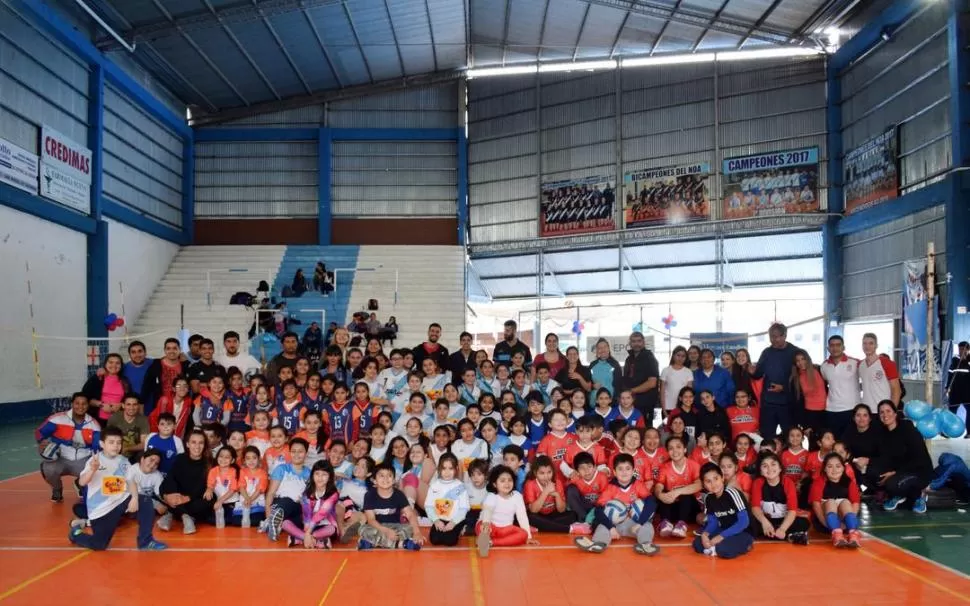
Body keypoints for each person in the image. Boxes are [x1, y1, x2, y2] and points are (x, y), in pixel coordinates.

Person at [68, 427, 165, 551]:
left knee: (145, 501)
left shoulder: (123, 461)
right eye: (111, 442)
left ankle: (145, 541)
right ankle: (76, 535)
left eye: (119, 442)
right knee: (99, 544)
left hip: (120, 502)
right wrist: (92, 470)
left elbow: (131, 481)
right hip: (101, 509)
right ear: (102, 444)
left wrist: (135, 498)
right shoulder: (94, 461)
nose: (116, 446)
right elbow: (82, 482)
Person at [574, 453, 658, 555]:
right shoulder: (610, 488)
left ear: (633, 471)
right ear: (614, 471)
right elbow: (598, 510)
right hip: (614, 525)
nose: (624, 472)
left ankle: (646, 544)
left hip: (633, 525)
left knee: (647, 525)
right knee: (602, 526)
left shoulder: (638, 485)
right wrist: (611, 528)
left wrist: (640, 523)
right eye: (620, 469)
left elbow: (651, 502)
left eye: (627, 468)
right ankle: (598, 543)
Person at [36, 393, 100, 502]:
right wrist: (42, 442)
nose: (80, 406)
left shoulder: (94, 425)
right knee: (48, 469)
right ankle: (57, 489)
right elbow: (39, 432)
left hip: (82, 460)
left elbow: (97, 448)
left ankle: (80, 483)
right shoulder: (58, 419)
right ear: (72, 404)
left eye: (84, 404)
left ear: (88, 405)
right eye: (77, 403)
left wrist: (96, 464)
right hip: (60, 459)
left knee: (97, 471)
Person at [874, 400, 932, 513]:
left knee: (892, 484)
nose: (885, 415)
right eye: (881, 412)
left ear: (895, 413)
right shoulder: (883, 434)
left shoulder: (908, 429)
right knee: (876, 475)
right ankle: (899, 494)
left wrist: (895, 472)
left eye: (888, 411)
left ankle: (920, 495)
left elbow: (918, 458)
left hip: (918, 471)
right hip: (901, 471)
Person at [749, 323, 803, 437]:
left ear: (785, 336)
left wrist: (784, 388)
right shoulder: (766, 353)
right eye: (771, 337)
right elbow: (758, 375)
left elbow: (802, 380)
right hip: (768, 404)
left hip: (788, 404)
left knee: (790, 437)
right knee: (767, 437)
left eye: (777, 336)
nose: (774, 340)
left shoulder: (795, 352)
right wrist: (752, 372)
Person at [693, 463, 754, 559]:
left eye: (716, 478)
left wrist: (721, 536)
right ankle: (717, 547)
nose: (713, 484)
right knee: (697, 543)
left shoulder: (732, 493)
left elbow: (744, 522)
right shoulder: (709, 498)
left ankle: (746, 544)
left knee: (723, 549)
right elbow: (713, 522)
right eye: (708, 481)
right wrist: (705, 534)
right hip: (725, 529)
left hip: (743, 531)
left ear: (722, 478)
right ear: (704, 484)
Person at [476, 465, 538, 557]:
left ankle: (492, 542)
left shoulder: (517, 496)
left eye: (510, 480)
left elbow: (522, 517)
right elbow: (487, 514)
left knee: (523, 534)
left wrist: (528, 537)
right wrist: (485, 532)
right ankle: (484, 539)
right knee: (482, 526)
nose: (507, 483)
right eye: (502, 481)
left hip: (506, 530)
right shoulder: (491, 496)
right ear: (494, 484)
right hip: (489, 526)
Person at [158, 430, 213, 534]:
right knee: (165, 485)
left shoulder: (209, 462)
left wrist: (188, 498)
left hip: (195, 498)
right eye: (193, 442)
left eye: (201, 443)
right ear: (187, 444)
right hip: (178, 496)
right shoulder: (180, 458)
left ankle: (173, 513)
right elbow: (170, 479)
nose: (197, 446)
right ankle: (186, 517)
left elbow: (204, 486)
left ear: (204, 445)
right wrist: (167, 497)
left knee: (210, 499)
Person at [359, 464, 425, 550]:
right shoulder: (369, 495)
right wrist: (386, 531)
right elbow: (371, 520)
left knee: (409, 529)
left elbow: (410, 514)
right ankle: (401, 544)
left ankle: (372, 543)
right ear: (374, 480)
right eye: (381, 476)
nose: (386, 479)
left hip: (395, 527)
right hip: (377, 527)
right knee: (363, 529)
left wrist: (417, 532)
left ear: (394, 480)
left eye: (389, 475)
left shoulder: (399, 495)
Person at [749, 453, 810, 545]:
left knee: (804, 523)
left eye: (773, 464)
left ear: (780, 468)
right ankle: (789, 536)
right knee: (749, 524)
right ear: (761, 471)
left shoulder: (788, 482)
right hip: (766, 519)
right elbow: (755, 508)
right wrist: (765, 523)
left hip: (784, 520)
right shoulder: (758, 483)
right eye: (765, 466)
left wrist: (782, 529)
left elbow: (792, 510)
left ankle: (776, 533)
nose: (769, 469)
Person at [808, 453, 862, 548]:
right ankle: (836, 535)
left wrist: (847, 524)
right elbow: (816, 506)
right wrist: (826, 524)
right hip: (825, 523)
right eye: (830, 466)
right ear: (824, 468)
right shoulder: (819, 482)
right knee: (831, 502)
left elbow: (855, 503)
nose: (834, 470)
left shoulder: (849, 482)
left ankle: (853, 533)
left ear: (843, 468)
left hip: (845, 525)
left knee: (845, 502)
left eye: (838, 466)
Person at [282, 460, 339, 549]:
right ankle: (316, 540)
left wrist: (308, 533)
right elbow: (307, 515)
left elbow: (321, 514)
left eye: (324, 474)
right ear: (312, 475)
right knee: (285, 523)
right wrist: (307, 533)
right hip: (307, 523)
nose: (320, 478)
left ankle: (299, 538)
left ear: (330, 477)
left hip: (324, 522)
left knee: (332, 529)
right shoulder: (307, 493)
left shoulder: (333, 494)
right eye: (317, 474)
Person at [265, 438, 313, 541]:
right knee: (287, 501)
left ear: (306, 453)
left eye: (300, 451)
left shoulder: (310, 473)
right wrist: (268, 516)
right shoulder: (281, 469)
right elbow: (271, 493)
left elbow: (309, 496)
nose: (297, 455)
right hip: (281, 503)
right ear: (290, 452)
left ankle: (280, 524)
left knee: (302, 519)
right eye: (293, 451)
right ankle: (272, 521)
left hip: (298, 507)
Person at [654, 435, 702, 538]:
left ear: (685, 449)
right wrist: (660, 495)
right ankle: (665, 523)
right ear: (668, 452)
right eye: (671, 448)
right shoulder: (665, 467)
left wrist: (678, 491)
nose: (674, 450)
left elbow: (699, 485)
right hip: (673, 508)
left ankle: (682, 525)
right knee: (664, 493)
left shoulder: (693, 465)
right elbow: (658, 486)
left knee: (686, 495)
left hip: (690, 509)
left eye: (678, 447)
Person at [425, 453, 471, 546]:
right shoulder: (434, 485)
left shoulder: (460, 486)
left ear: (456, 469)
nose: (447, 472)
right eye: (444, 468)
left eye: (451, 468)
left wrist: (453, 523)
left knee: (450, 542)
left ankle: (461, 527)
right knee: (434, 540)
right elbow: (428, 506)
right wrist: (436, 520)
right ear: (439, 469)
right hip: (439, 520)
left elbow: (464, 508)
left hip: (454, 520)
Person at [819, 335, 860, 438]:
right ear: (828, 348)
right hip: (831, 410)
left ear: (843, 347)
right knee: (834, 441)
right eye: (832, 345)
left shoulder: (855, 363)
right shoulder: (824, 366)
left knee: (851, 441)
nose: (835, 348)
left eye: (838, 345)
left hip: (851, 408)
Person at [141, 338, 189, 410]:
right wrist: (141, 404)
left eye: (174, 348)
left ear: (180, 349)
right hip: (162, 406)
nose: (171, 351)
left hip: (180, 407)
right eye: (168, 348)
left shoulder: (185, 366)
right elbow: (146, 386)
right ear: (164, 350)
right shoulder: (156, 365)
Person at [622, 332, 660, 424]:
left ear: (643, 342)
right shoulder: (628, 359)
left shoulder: (649, 358)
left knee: (646, 431)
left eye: (639, 341)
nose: (636, 344)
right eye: (633, 341)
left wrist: (631, 391)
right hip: (631, 404)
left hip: (647, 404)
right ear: (630, 343)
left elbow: (652, 383)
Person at [82, 353, 130, 424]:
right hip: (98, 420)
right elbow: (84, 397)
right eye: (110, 362)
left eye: (117, 363)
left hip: (119, 420)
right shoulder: (97, 378)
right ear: (105, 364)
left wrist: (120, 405)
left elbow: (129, 399)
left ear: (121, 366)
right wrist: (101, 404)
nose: (114, 365)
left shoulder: (125, 381)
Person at [859, 333, 902, 410]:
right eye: (864, 343)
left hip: (883, 411)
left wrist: (891, 411)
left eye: (871, 343)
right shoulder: (860, 365)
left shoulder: (887, 363)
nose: (867, 346)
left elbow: (896, 390)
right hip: (867, 411)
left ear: (876, 345)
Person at [792, 350, 826, 444]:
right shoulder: (797, 377)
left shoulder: (818, 370)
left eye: (803, 359)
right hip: (810, 412)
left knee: (825, 440)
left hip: (825, 410)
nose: (801, 362)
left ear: (807, 359)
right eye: (797, 360)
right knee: (814, 442)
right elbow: (797, 400)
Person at [108, 394, 150, 459]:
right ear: (123, 405)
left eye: (134, 404)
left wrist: (127, 449)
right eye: (128, 404)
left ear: (138, 406)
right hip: (116, 451)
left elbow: (144, 444)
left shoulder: (143, 420)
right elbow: (108, 439)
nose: (132, 408)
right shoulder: (115, 417)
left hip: (135, 454)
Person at [660, 346, 693, 418]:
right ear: (673, 355)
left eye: (683, 356)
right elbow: (662, 392)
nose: (680, 358)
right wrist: (664, 410)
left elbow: (689, 393)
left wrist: (688, 408)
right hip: (668, 407)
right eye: (678, 355)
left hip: (683, 407)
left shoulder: (688, 372)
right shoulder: (666, 370)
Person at [123, 341, 153, 414]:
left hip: (152, 409)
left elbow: (168, 360)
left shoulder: (154, 364)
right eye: (133, 352)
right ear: (129, 355)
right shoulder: (123, 368)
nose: (137, 355)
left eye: (140, 351)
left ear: (145, 352)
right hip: (132, 410)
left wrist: (180, 356)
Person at [589, 338, 623, 402]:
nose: (602, 349)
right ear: (597, 350)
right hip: (594, 402)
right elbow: (588, 382)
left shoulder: (615, 364)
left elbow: (618, 385)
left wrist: (615, 401)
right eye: (600, 348)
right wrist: (592, 386)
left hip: (610, 403)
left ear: (608, 349)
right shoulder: (592, 365)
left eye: (605, 347)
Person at [947, 340, 970, 420]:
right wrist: (947, 388)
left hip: (967, 393)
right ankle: (950, 430)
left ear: (967, 350)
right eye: (960, 349)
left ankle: (968, 430)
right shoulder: (955, 360)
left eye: (963, 349)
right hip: (955, 392)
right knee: (952, 411)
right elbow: (950, 375)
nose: (961, 351)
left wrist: (966, 360)